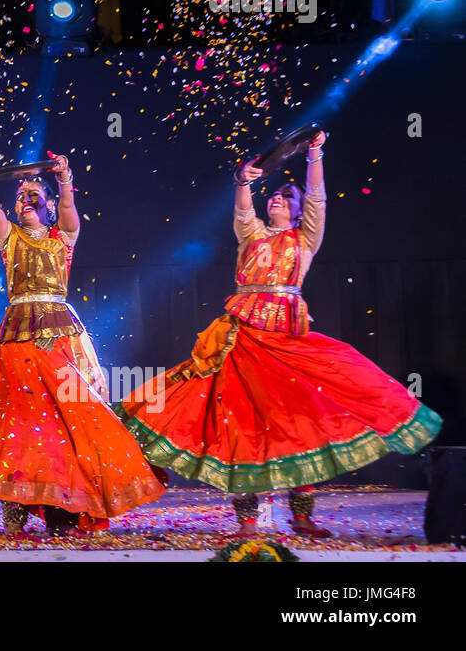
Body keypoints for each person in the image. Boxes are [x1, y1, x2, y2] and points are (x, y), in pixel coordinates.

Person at [114, 132, 442, 536]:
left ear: (297, 210)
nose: (276, 202)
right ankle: (247, 523)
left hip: (285, 345)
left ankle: (302, 517)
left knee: (297, 427)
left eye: (285, 199)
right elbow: (242, 211)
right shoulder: (251, 236)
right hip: (240, 342)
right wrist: (243, 182)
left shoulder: (304, 240)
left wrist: (315, 153)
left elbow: (318, 199)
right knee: (239, 427)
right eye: (273, 198)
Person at [0, 155, 166, 537]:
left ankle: (64, 506)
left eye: (34, 193)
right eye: (21, 195)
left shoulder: (64, 236)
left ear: (47, 204)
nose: (26, 199)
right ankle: (14, 506)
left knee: (64, 423)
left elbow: (67, 208)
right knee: (14, 423)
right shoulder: (9, 236)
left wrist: (64, 179)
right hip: (14, 341)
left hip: (60, 339)